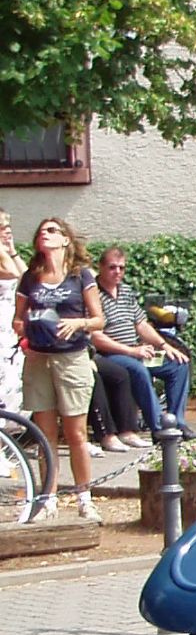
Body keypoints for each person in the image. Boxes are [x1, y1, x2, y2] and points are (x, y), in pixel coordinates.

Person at [11, 217, 105, 521]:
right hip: (38, 359)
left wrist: (78, 323)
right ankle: (47, 499)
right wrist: (24, 330)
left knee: (76, 434)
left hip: (71, 359)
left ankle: (84, 497)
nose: (45, 235)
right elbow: (17, 319)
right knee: (44, 434)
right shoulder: (30, 277)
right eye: (41, 232)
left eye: (52, 231)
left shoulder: (81, 276)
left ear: (66, 239)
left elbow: (98, 320)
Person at [90, 246, 192, 445]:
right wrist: (132, 351)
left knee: (178, 365)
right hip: (112, 355)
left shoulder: (126, 291)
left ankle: (177, 423)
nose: (117, 272)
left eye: (122, 268)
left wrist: (165, 346)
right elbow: (96, 338)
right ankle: (159, 428)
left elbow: (141, 324)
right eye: (112, 267)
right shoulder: (93, 294)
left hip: (137, 351)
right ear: (100, 267)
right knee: (138, 370)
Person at [0, 209, 22, 411]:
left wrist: (12, 251)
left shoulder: (6, 255)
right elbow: (12, 273)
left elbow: (25, 276)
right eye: (1, 227)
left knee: (12, 389)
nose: (6, 231)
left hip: (9, 331)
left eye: (8, 226)